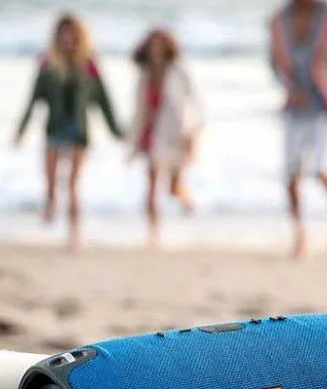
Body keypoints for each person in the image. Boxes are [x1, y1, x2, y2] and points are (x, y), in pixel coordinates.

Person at [14, 14, 123, 251]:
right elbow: (33, 99)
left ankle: (75, 234)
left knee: (74, 184)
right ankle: (51, 205)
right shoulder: (47, 63)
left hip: (79, 130)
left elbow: (104, 100)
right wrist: (21, 129)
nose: (67, 38)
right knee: (50, 181)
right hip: (54, 128)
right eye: (63, 33)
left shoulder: (89, 64)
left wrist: (116, 130)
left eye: (71, 33)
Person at [270, 0, 327, 260]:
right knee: (291, 172)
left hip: (323, 106)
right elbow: (274, 62)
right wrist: (288, 89)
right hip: (294, 106)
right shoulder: (280, 19)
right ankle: (299, 234)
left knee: (321, 168)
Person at [129, 29, 204, 248]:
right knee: (151, 182)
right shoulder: (145, 73)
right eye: (153, 45)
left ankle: (188, 202)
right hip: (152, 132)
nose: (156, 49)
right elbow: (139, 107)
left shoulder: (179, 71)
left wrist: (192, 135)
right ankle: (152, 232)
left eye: (160, 45)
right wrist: (131, 134)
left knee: (173, 187)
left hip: (176, 133)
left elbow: (194, 104)